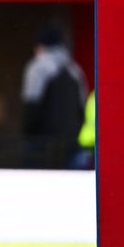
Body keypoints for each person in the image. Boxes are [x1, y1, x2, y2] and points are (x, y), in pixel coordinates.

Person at [21, 24, 87, 169]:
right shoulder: (76, 70)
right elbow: (82, 110)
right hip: (71, 146)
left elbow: (31, 107)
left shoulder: (37, 68)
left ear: (41, 46)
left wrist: (29, 135)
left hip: (42, 147)